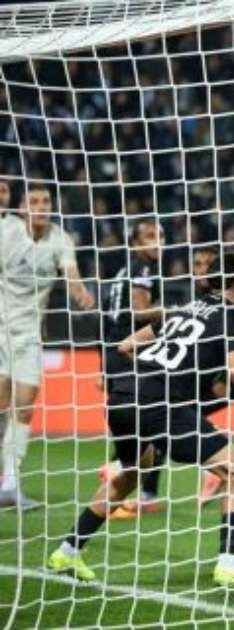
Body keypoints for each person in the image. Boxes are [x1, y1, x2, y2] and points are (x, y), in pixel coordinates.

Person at [48, 252, 234, 592]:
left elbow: (125, 345)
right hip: (160, 402)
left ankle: (67, 552)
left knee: (133, 473)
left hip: (123, 396)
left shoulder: (187, 309)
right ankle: (230, 565)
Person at [98, 241, 225, 515]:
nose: (201, 270)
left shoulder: (218, 302)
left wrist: (222, 379)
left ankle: (129, 477)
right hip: (170, 375)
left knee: (155, 420)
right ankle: (147, 487)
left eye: (208, 265)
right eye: (197, 264)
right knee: (156, 422)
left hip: (203, 379)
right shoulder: (193, 299)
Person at [0, 184, 95, 510]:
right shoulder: (7, 230)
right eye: (34, 201)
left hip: (29, 336)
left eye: (45, 201)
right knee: (1, 408)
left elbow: (71, 275)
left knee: (25, 407)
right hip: (0, 330)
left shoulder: (60, 239)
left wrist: (80, 293)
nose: (41, 206)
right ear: (22, 207)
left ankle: (10, 484)